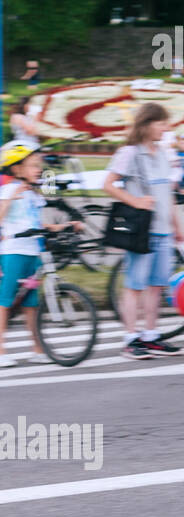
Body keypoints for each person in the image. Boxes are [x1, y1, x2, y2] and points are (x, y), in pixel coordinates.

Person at [104, 102, 184, 360]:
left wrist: (177, 227)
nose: (166, 128)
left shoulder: (161, 153)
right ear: (147, 124)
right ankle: (131, 339)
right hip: (142, 231)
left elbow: (167, 195)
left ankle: (151, 335)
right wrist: (136, 201)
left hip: (163, 231)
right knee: (135, 286)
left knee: (156, 286)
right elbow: (108, 184)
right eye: (161, 123)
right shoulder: (130, 153)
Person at [0, 141, 83, 366]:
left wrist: (67, 225)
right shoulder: (8, 190)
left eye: (39, 165)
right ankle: (1, 351)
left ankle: (37, 349)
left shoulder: (34, 195)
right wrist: (11, 197)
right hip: (12, 252)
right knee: (5, 301)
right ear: (17, 169)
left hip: (33, 253)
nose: (39, 170)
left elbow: (40, 224)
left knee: (31, 303)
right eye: (33, 165)